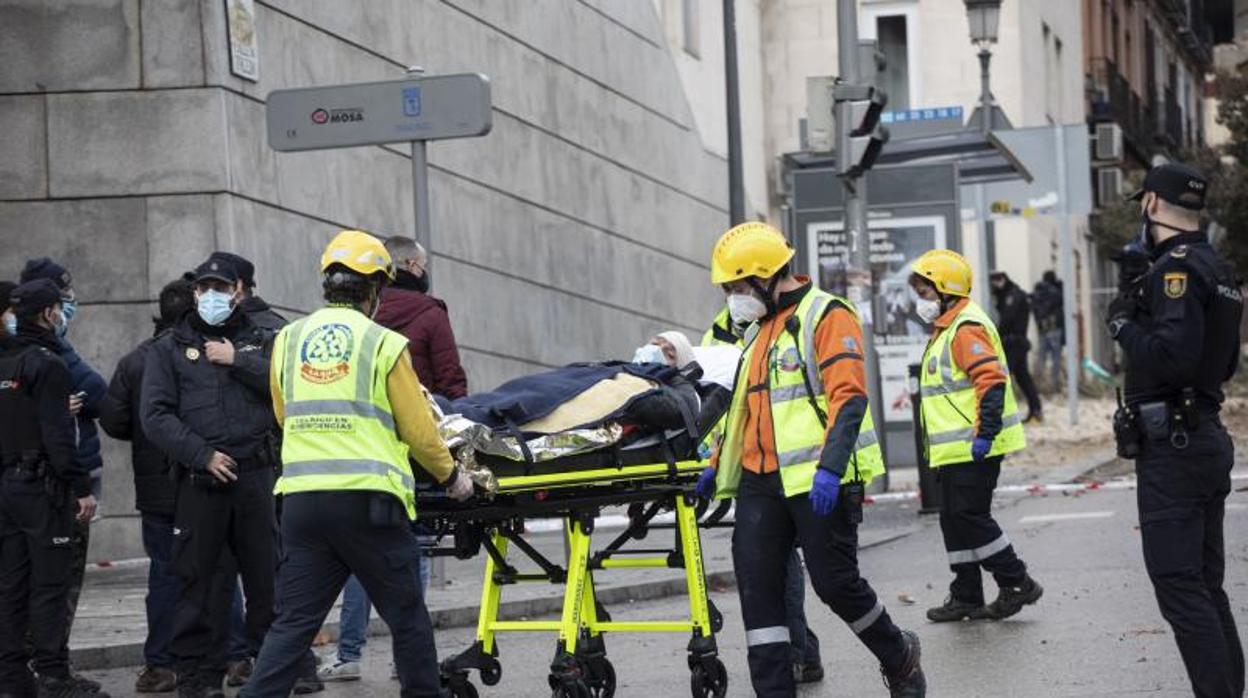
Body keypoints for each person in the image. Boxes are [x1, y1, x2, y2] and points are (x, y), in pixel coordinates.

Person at [696, 222, 925, 697]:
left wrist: (830, 469)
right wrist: (715, 462)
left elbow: (849, 397)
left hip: (820, 479)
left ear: (766, 276)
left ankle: (898, 654)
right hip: (761, 483)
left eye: (737, 286)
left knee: (835, 584)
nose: (733, 297)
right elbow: (745, 409)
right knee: (759, 597)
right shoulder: (756, 333)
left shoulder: (826, 315)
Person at [243, 230, 474, 697]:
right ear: (375, 290)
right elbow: (418, 429)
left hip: (303, 505)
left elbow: (284, 413)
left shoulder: (288, 339)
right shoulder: (383, 343)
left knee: (292, 624)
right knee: (406, 615)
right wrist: (452, 476)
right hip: (369, 503)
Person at [1107, 162, 1244, 697]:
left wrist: (1123, 322)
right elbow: (1224, 362)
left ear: (1151, 205)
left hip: (1176, 447)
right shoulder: (1218, 268)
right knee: (1205, 589)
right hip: (1201, 436)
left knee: (1181, 589)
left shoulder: (1176, 272)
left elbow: (1171, 358)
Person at [141, 256, 281, 698]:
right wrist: (202, 456)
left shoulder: (261, 340)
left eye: (220, 287)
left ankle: (283, 671)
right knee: (199, 586)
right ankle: (201, 680)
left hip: (257, 479)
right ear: (195, 293)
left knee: (268, 583)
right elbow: (155, 415)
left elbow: (285, 389)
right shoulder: (168, 349)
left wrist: (237, 359)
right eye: (204, 288)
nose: (211, 296)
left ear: (238, 291)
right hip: (202, 483)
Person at [688, 312, 830, 686]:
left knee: (782, 563)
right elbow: (715, 402)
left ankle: (798, 654)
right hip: (738, 460)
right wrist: (712, 459)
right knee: (765, 566)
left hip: (786, 462)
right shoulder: (714, 336)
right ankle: (799, 653)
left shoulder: (786, 324)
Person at [909, 250, 1043, 623]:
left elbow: (991, 380)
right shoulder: (947, 328)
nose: (921, 302)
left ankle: (1016, 581)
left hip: (974, 446)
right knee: (953, 518)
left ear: (946, 291)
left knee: (969, 516)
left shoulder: (966, 328)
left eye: (925, 293)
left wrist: (985, 433)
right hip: (954, 450)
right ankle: (966, 594)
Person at [0, 279, 107, 698]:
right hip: (42, 489)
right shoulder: (47, 364)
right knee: (49, 585)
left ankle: (11, 676)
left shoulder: (7, 362)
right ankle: (53, 674)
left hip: (6, 487)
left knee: (11, 585)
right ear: (48, 314)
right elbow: (59, 439)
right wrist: (81, 488)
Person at [98, 278, 194, 694]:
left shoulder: (135, 360)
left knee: (164, 573)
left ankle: (161, 663)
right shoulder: (200, 355)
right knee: (217, 568)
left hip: (155, 486)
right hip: (201, 480)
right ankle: (233, 656)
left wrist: (146, 434)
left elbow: (113, 418)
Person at [377, 236, 468, 399]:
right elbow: (450, 379)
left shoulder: (369, 313)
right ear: (412, 266)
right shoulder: (432, 313)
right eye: (423, 266)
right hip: (423, 417)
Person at [989, 271, 1043, 422]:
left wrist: (996, 336)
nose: (994, 285)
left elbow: (1007, 318)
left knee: (1002, 377)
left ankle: (999, 414)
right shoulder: (1008, 294)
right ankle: (1036, 410)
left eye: (997, 281)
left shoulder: (1013, 296)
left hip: (1014, 343)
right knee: (1023, 379)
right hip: (1014, 343)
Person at [1031, 270, 1064, 392]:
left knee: (1041, 358)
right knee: (1056, 358)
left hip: (1043, 329)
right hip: (1054, 328)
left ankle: (1039, 386)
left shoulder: (1038, 292)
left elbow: (1034, 309)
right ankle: (1054, 385)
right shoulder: (1056, 292)